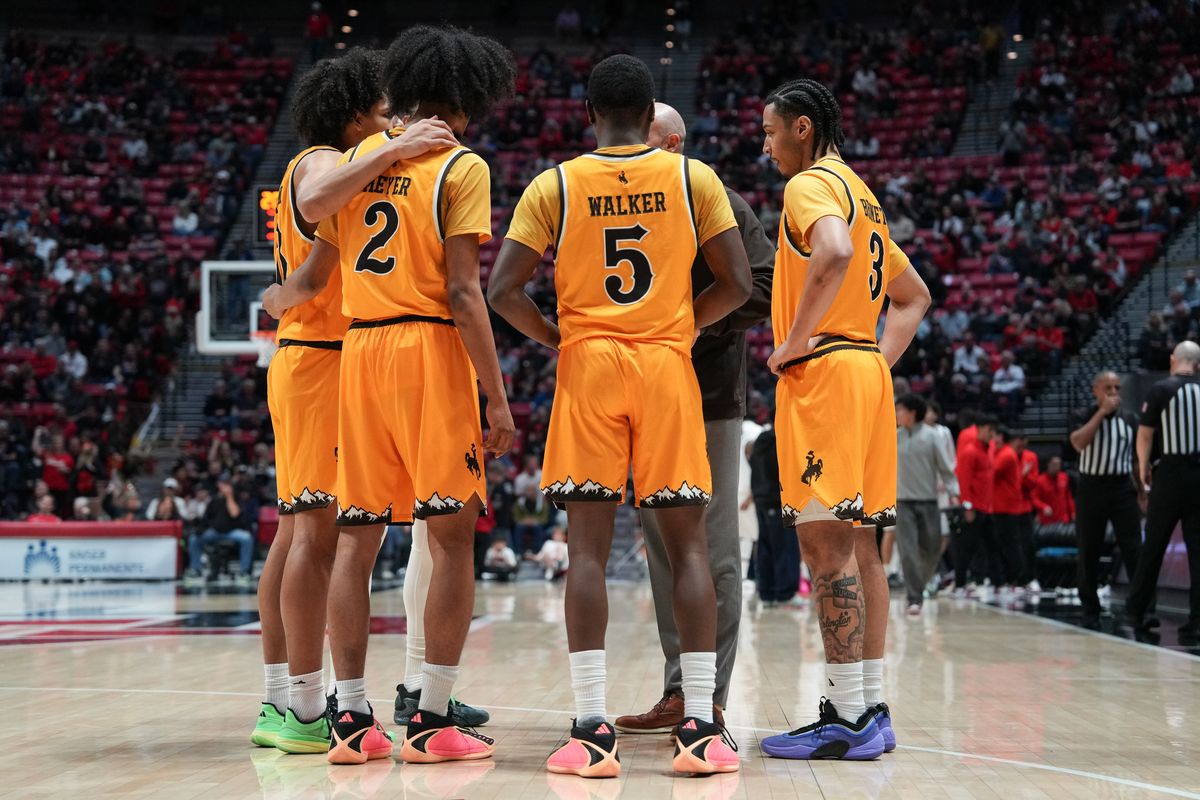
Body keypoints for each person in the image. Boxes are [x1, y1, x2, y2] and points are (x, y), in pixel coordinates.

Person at [489, 54, 751, 777]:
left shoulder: (555, 184)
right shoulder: (693, 178)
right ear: (649, 114)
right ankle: (701, 727)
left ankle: (589, 729)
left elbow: (502, 290)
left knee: (588, 553)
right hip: (666, 364)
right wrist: (685, 323)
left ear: (589, 114)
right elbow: (737, 282)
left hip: (589, 366)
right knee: (689, 549)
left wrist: (556, 336)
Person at [264, 25, 516, 766]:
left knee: (353, 537)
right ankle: (432, 716)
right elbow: (464, 294)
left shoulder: (357, 161)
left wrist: (275, 301)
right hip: (427, 350)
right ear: (469, 96)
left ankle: (347, 717)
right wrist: (497, 398)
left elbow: (315, 266)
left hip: (359, 352)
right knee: (450, 535)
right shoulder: (459, 164)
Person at [757, 78, 930, 761]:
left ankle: (844, 716)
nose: (766, 146)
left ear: (802, 127)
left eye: (771, 132)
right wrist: (875, 361)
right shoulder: (864, 194)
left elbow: (832, 251)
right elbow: (914, 298)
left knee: (825, 549)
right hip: (864, 374)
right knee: (863, 549)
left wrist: (795, 341)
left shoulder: (810, 185)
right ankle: (870, 709)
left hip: (826, 375)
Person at [613, 103, 774, 736]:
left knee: (712, 548)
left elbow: (764, 283)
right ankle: (681, 688)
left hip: (706, 394)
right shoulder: (617, 198)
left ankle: (710, 697)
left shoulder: (715, 196)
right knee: (661, 550)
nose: (629, 146)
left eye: (644, 137)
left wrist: (693, 323)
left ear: (674, 143)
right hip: (639, 394)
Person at [1125, 341, 1200, 642]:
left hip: (1170, 473)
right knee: (1198, 551)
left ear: (1172, 360)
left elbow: (1144, 435)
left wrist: (1144, 469)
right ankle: (1197, 622)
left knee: (1153, 544)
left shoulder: (1161, 389)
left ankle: (1136, 612)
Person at [1068, 371, 1145, 630]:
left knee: (1134, 550)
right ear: (1095, 391)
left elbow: (1136, 459)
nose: (1113, 393)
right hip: (1091, 487)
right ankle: (1090, 609)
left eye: (1117, 388)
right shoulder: (1081, 415)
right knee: (1088, 549)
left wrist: (1142, 491)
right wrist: (1101, 413)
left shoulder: (1130, 419)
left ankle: (1141, 609)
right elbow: (1078, 443)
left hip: (1122, 488)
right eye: (1107, 388)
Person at [895, 394, 958, 614]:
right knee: (908, 552)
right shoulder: (894, 437)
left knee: (932, 552)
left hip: (929, 502)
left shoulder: (933, 436)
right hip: (902, 503)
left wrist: (954, 493)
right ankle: (914, 597)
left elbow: (945, 468)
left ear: (912, 412)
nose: (896, 414)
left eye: (900, 410)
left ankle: (918, 587)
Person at [747, 425, 803, 606]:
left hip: (761, 500)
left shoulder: (761, 439)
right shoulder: (779, 440)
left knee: (765, 547)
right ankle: (785, 593)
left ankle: (767, 593)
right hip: (778, 500)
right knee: (785, 548)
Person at [954, 415, 997, 596]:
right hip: (974, 507)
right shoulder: (970, 451)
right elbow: (963, 481)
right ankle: (960, 584)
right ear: (978, 429)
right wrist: (967, 506)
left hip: (986, 507)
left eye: (993, 431)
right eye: (988, 430)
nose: (991, 434)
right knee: (966, 547)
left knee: (990, 546)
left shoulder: (988, 450)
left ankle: (989, 581)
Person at [188, 474, 254, 582]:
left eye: (227, 484)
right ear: (218, 484)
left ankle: (244, 572)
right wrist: (200, 529)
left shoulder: (236, 498)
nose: (225, 486)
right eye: (223, 484)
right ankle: (196, 570)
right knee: (194, 539)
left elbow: (235, 514)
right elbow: (206, 518)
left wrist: (229, 497)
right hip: (214, 531)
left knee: (246, 538)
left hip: (231, 531)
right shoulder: (214, 500)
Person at [1032, 456, 1074, 527]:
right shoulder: (1040, 480)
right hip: (1048, 520)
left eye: (1058, 465)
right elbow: (1034, 499)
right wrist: (1043, 507)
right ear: (1048, 465)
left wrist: (1073, 512)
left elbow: (1068, 497)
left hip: (1063, 519)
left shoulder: (1064, 477)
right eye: (1054, 464)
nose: (1057, 467)